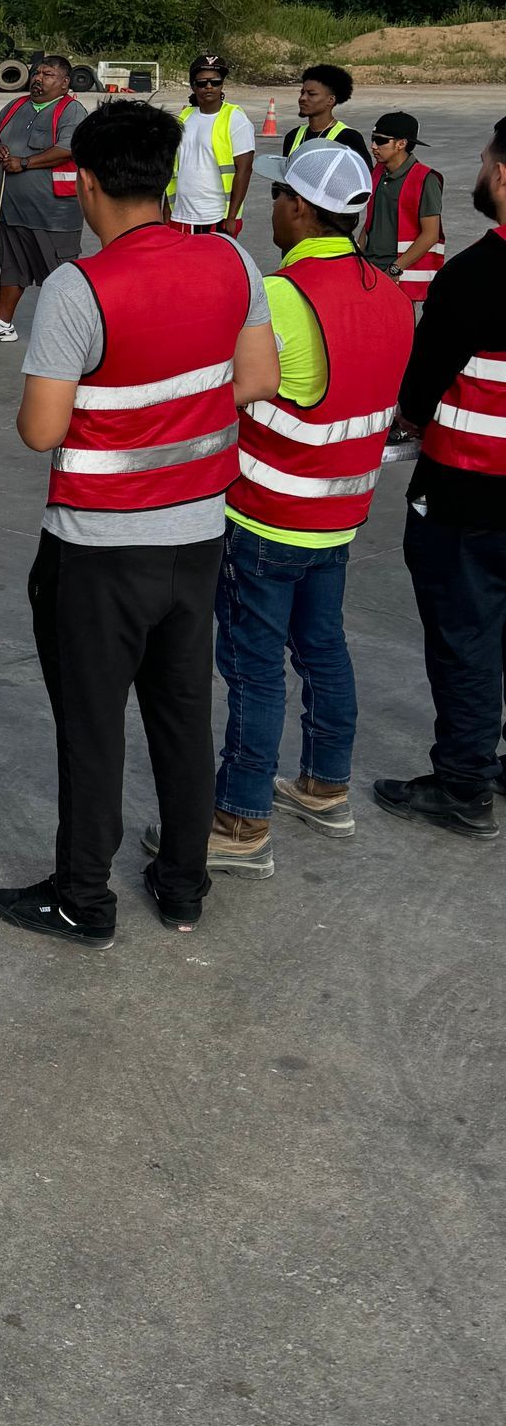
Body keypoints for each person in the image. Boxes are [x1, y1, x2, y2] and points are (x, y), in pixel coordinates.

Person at [0, 99, 279, 947]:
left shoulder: (81, 288)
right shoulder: (231, 261)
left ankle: (85, 895)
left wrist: (120, 416)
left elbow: (42, 429)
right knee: (186, 715)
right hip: (197, 539)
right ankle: (183, 887)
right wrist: (178, 415)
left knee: (91, 725)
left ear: (81, 181)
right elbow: (255, 379)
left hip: (99, 550)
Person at [171, 142, 413, 877]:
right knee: (324, 649)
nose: (272, 206)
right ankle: (324, 785)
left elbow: (223, 389)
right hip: (341, 513)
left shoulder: (279, 295)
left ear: (301, 210)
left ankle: (241, 821)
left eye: (279, 197)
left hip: (266, 513)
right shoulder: (392, 295)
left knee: (252, 670)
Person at [376, 116, 506, 842]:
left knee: (466, 636)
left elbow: (420, 389)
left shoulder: (479, 273)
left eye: (487, 161)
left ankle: (462, 784)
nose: (482, 171)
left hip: (469, 489)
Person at [0, 53, 85, 344]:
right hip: (10, 210)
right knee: (11, 268)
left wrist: (25, 162)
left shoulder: (72, 111)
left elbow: (68, 149)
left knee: (60, 273)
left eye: (47, 75)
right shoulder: (16, 105)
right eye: (37, 74)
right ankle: (3, 324)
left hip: (53, 213)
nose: (38, 79)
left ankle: (71, 330)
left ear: (64, 83)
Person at [166, 54, 255, 236]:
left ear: (221, 85)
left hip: (216, 217)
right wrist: (166, 210)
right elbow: (172, 170)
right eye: (202, 83)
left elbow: (244, 170)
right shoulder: (184, 118)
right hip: (180, 215)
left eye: (215, 82)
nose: (208, 86)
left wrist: (231, 217)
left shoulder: (235, 119)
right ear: (193, 86)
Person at [361, 111, 444, 300]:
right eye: (373, 139)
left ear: (401, 143)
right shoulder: (378, 172)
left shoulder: (425, 179)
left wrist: (395, 268)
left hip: (398, 276)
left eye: (381, 141)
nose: (373, 146)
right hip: (369, 269)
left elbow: (430, 234)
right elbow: (371, 220)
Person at [284, 63, 370, 166]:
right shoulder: (292, 136)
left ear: (330, 100)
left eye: (311, 94)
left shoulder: (348, 138)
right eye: (302, 93)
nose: (302, 98)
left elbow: (363, 177)